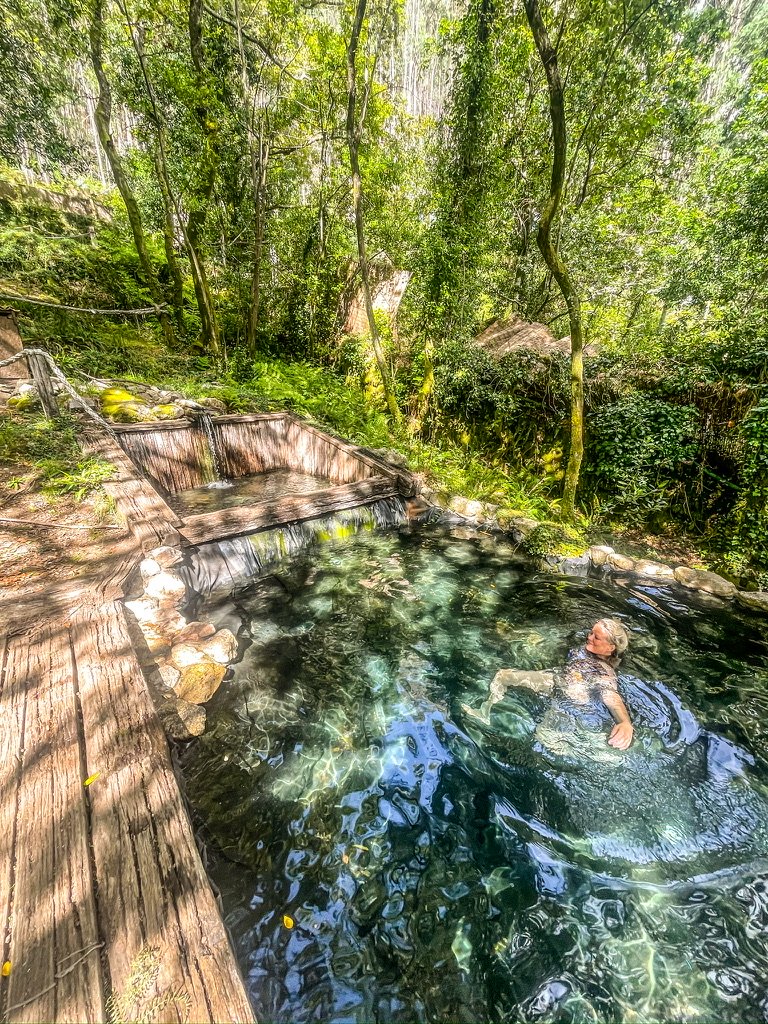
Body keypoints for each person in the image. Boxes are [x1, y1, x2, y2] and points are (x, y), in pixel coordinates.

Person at [464, 618, 634, 750]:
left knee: (545, 740)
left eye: (596, 637)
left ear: (610, 648)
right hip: (555, 680)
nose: (589, 637)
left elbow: (610, 694)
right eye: (590, 633)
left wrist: (624, 722)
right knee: (503, 676)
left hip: (569, 698)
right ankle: (484, 712)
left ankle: (595, 750)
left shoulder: (604, 671)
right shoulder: (589, 651)